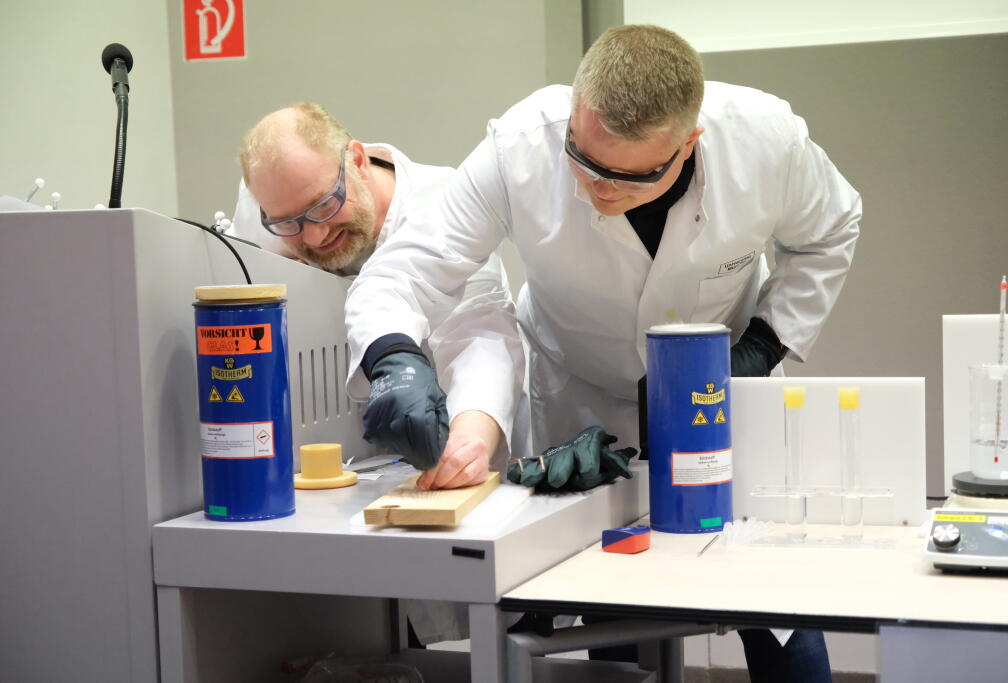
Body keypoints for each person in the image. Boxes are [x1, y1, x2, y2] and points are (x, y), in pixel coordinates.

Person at [343, 25, 860, 681]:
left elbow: (831, 230)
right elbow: (406, 268)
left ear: (688, 144)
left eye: (627, 174)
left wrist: (760, 346)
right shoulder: (520, 145)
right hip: (581, 394)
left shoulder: (765, 142)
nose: (598, 188)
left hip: (721, 384)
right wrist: (394, 357)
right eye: (582, 160)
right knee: (611, 602)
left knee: (773, 596)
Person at [230, 103, 525, 491]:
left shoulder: (442, 205)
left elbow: (479, 334)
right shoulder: (271, 200)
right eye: (289, 223)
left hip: (439, 440)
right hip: (325, 460)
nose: (315, 236)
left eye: (323, 205)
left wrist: (469, 441)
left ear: (357, 160)